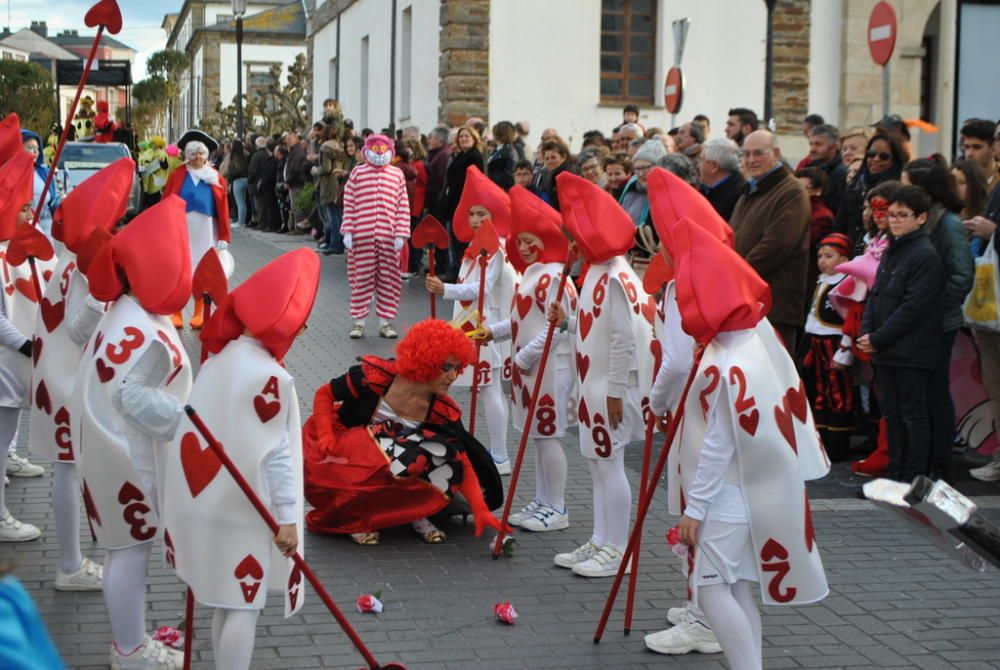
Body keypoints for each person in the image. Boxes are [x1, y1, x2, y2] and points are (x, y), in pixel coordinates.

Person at [648, 213, 828, 670]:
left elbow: (718, 445)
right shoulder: (753, 341)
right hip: (756, 490)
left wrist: (694, 508)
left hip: (727, 495)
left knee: (711, 591)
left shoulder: (722, 362)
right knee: (741, 584)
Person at [162, 249, 318, 670]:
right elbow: (278, 455)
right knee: (243, 606)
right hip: (246, 509)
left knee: (222, 597)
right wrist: (287, 517)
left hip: (208, 504)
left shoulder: (220, 359)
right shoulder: (272, 376)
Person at [71, 195, 193, 669]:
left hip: (115, 453)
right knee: (127, 553)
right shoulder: (137, 324)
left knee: (126, 552)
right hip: (125, 459)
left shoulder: (127, 312)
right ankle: (128, 649)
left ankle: (132, 639)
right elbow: (135, 399)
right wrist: (194, 425)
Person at [303, 319, 506, 545]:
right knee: (380, 441)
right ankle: (356, 519)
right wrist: (326, 435)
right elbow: (325, 394)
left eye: (457, 368)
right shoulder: (375, 376)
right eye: (446, 367)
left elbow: (462, 460)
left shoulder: (440, 410)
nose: (453, 376)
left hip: (379, 461)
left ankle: (412, 513)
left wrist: (479, 508)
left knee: (437, 452)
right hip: (335, 452)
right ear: (426, 361)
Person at [28, 158, 133, 588]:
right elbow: (75, 328)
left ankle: (72, 558)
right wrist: (100, 299)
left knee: (69, 469)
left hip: (58, 375)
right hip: (67, 381)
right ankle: (69, 565)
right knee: (68, 470)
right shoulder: (86, 264)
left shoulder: (71, 255)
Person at [547, 172, 654, 577]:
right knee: (596, 464)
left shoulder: (616, 276)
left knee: (611, 464)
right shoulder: (594, 271)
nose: (571, 245)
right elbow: (596, 329)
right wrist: (568, 323)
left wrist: (612, 391)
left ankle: (618, 547)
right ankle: (600, 537)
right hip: (592, 383)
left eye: (575, 236)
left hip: (612, 387)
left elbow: (625, 341)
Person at [486, 185, 577, 530]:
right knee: (537, 436)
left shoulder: (554, 276)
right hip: (530, 367)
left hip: (551, 370)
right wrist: (492, 333)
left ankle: (557, 506)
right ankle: (542, 499)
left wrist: (526, 356)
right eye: (520, 241)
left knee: (548, 435)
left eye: (530, 241)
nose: (523, 248)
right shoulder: (531, 274)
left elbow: (561, 327)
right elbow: (519, 321)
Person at [425, 167, 513, 473]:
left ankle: (500, 454)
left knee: (489, 389)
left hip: (484, 327)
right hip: (469, 324)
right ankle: (492, 450)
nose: (475, 219)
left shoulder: (495, 249)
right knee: (484, 389)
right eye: (472, 213)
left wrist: (445, 288)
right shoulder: (476, 248)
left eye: (481, 213)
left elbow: (483, 289)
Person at [859, 186, 944, 482]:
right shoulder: (892, 250)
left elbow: (914, 307)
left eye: (902, 215)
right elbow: (875, 295)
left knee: (912, 414)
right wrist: (867, 331)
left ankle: (913, 476)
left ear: (921, 218)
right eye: (891, 215)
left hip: (911, 350)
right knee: (892, 414)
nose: (894, 220)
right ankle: (894, 473)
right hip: (886, 349)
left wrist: (878, 337)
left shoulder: (925, 255)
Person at [902, 157, 974, 480]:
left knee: (934, 391)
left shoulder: (948, 225)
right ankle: (923, 457)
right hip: (919, 320)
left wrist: (933, 307)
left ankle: (940, 459)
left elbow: (961, 275)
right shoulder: (925, 220)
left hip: (936, 322)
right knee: (919, 393)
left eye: (908, 187)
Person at [0, 150, 53, 542]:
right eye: (23, 209)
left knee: (8, 432)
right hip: (5, 363)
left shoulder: (10, 248)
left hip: (12, 365)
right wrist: (25, 345)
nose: (30, 214)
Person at [729, 130, 811, 352]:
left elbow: (775, 246)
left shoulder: (791, 192)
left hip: (775, 305)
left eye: (758, 153)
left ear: (776, 153)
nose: (751, 160)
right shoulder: (750, 190)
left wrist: (736, 275)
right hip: (746, 301)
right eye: (746, 154)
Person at [341, 134, 410, 339]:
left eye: (383, 149)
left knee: (389, 280)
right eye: (375, 149)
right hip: (362, 236)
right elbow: (349, 202)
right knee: (361, 279)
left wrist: (401, 233)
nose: (379, 153)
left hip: (388, 237)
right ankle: (359, 322)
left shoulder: (397, 175)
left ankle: (385, 323)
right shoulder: (357, 173)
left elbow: (402, 206)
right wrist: (348, 230)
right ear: (367, 150)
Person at [162, 130, 230, 330]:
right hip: (181, 228)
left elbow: (223, 208)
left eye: (201, 153)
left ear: (206, 155)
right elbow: (165, 202)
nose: (197, 157)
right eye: (193, 153)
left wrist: (224, 236)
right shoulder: (178, 175)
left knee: (203, 270)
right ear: (187, 156)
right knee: (179, 269)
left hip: (207, 230)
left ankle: (199, 313)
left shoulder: (215, 178)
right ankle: (176, 312)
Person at [800, 232, 855, 461]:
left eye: (829, 256)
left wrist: (846, 347)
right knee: (819, 391)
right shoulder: (821, 280)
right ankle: (819, 440)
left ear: (843, 260)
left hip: (834, 342)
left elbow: (852, 318)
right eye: (820, 255)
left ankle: (837, 445)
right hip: (816, 342)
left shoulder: (848, 283)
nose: (822, 260)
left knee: (838, 395)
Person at [443, 125, 485, 278]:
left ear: (474, 139)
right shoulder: (461, 155)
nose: (463, 139)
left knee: (461, 239)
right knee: (454, 239)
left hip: (466, 201)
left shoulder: (474, 156)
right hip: (455, 200)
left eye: (467, 136)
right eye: (461, 137)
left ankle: (461, 272)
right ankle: (456, 270)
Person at [794, 166, 835, 290]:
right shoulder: (795, 209)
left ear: (818, 190)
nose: (798, 192)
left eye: (804, 188)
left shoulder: (822, 216)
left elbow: (801, 243)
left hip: (805, 275)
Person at [313, 120, 347, 255]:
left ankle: (334, 244)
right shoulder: (339, 146)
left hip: (328, 183)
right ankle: (339, 244)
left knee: (332, 216)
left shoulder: (325, 147)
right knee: (338, 215)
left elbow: (326, 168)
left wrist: (316, 170)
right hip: (338, 180)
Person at [801, 125, 848, 215]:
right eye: (811, 144)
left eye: (818, 144)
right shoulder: (809, 169)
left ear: (834, 147)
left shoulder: (840, 173)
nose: (812, 149)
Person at [20, 129, 57, 238]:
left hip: (45, 228)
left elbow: (54, 201)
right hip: (20, 230)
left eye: (37, 148)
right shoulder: (9, 174)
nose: (35, 152)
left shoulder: (45, 173)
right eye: (30, 148)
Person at [698, 138, 745, 221]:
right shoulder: (705, 190)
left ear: (714, 167)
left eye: (702, 160)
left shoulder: (738, 194)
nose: (698, 165)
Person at [960, 118, 998, 187]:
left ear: (993, 150)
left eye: (977, 147)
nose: (969, 154)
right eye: (967, 147)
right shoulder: (958, 181)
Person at [224, 139, 249, 229]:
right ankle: (242, 221)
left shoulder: (234, 157)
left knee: (240, 203)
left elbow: (236, 169)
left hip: (237, 180)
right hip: (245, 179)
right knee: (243, 203)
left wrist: (231, 176)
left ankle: (240, 222)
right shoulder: (244, 156)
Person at [487, 121, 517, 191]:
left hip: (501, 189)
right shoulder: (498, 150)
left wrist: (491, 180)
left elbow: (508, 175)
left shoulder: (508, 151)